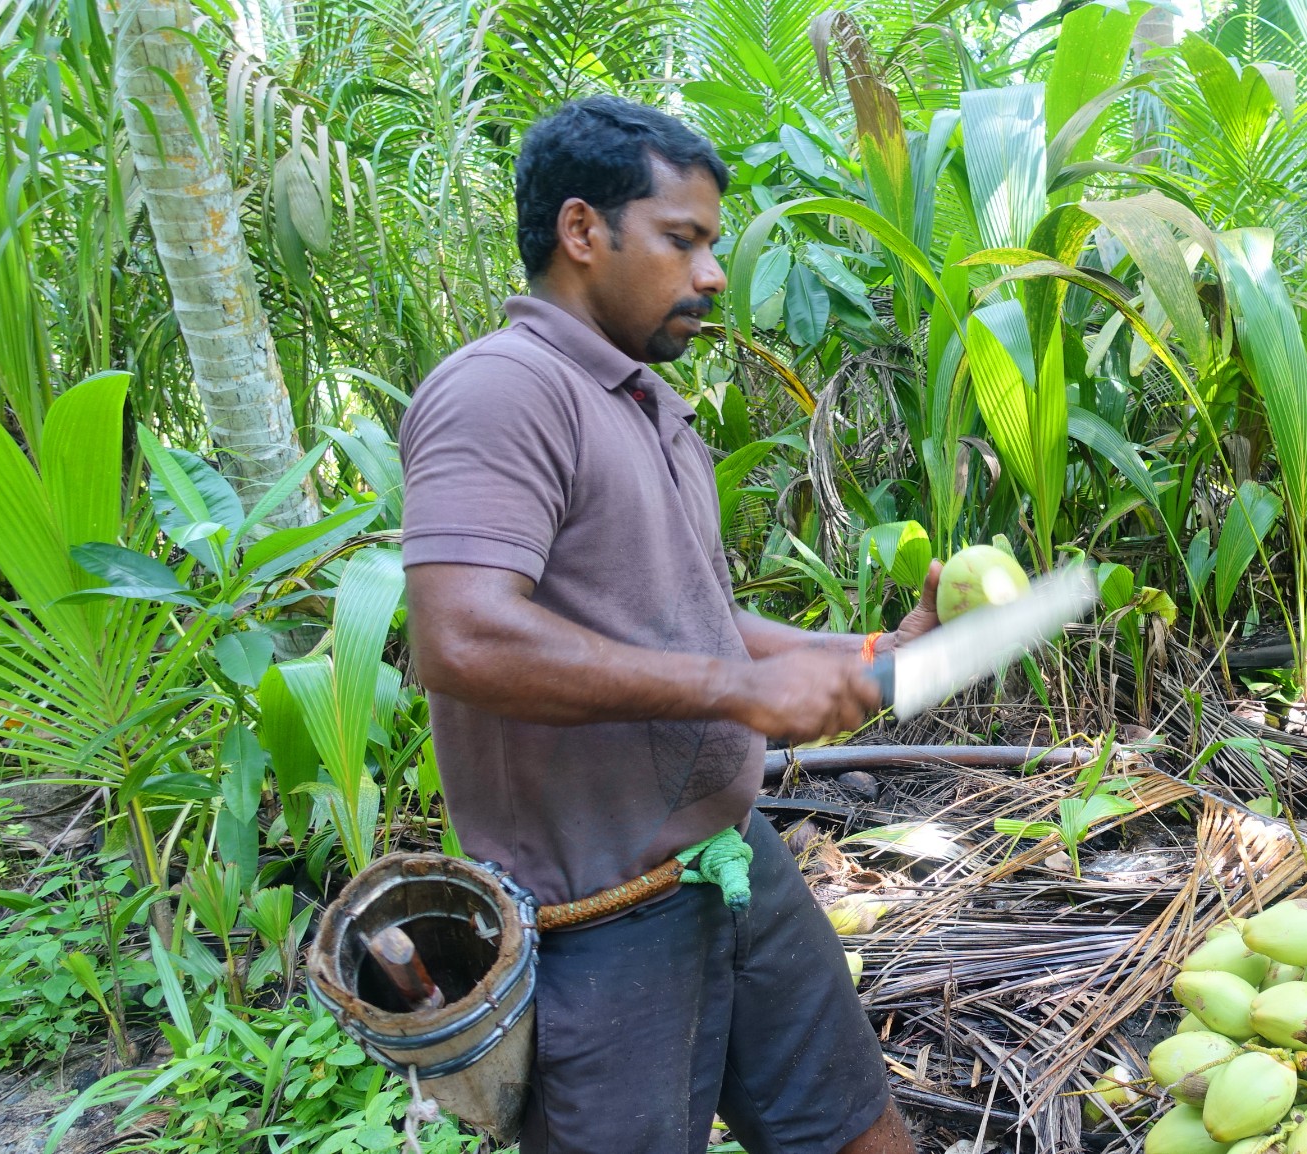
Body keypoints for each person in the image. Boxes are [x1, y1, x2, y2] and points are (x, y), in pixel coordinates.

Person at [398, 94, 930, 1154]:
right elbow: (459, 638)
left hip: (732, 865)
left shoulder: (644, 403)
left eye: (711, 245)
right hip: (601, 921)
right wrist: (735, 691)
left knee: (855, 1126)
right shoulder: (505, 391)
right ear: (584, 231)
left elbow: (690, 618)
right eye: (681, 240)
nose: (712, 275)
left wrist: (870, 657)